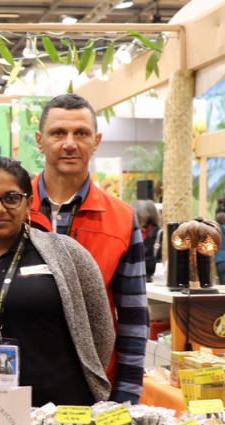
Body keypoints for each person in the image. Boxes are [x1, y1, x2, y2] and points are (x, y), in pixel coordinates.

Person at [0, 156, 114, 405]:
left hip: (64, 407)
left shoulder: (66, 253)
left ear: (28, 203)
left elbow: (101, 328)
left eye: (11, 198)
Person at [29, 93, 148, 404]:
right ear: (40, 141)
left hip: (92, 387)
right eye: (58, 133)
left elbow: (134, 315)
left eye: (80, 133)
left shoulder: (122, 218)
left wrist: (127, 394)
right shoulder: (7, 207)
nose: (70, 143)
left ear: (96, 141)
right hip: (16, 383)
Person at [132, 199, 162, 282]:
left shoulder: (159, 234)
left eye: (136, 215)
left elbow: (160, 262)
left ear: (143, 216)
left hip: (152, 282)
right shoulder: (136, 233)